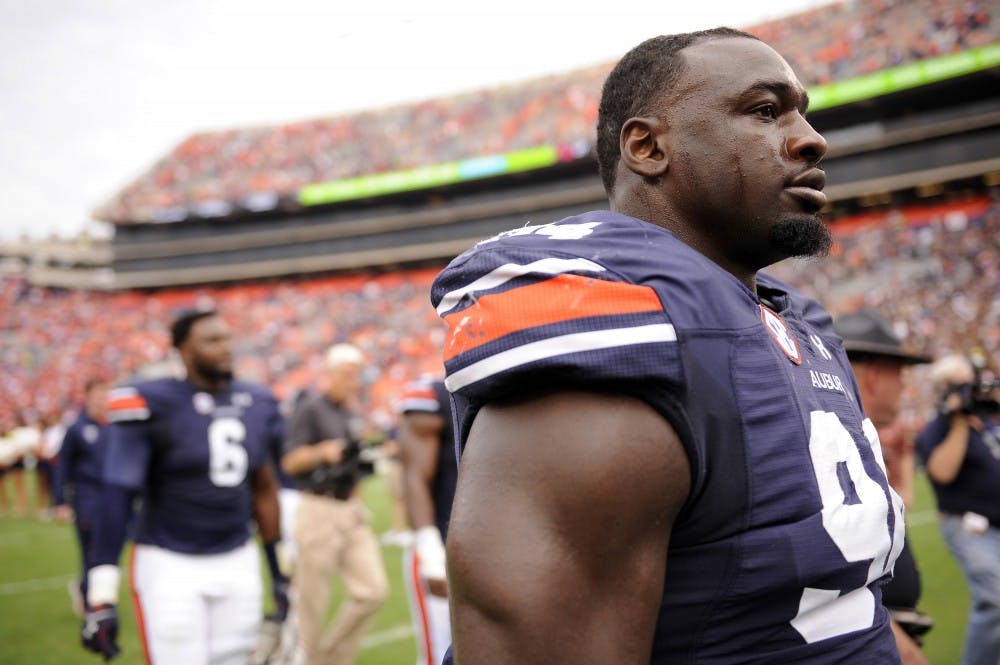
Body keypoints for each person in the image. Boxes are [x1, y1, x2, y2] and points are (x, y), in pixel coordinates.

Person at [430, 28, 907, 664]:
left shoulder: (797, 325)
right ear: (648, 146)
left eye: (802, 112)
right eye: (766, 111)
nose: (811, 138)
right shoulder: (624, 335)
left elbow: (841, 600)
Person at [80, 309, 289, 664]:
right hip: (169, 561)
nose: (224, 348)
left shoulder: (257, 401)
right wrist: (101, 594)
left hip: (237, 556)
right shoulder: (149, 400)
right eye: (211, 340)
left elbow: (264, 489)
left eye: (226, 338)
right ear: (183, 351)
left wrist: (280, 572)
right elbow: (118, 491)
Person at [833, 310, 933, 665]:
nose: (905, 386)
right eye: (900, 373)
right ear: (874, 375)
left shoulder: (855, 440)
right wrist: (888, 632)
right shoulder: (838, 447)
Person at [280, 343, 389, 665]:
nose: (352, 382)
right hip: (318, 508)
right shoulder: (311, 408)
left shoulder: (352, 412)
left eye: (356, 375)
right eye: (346, 374)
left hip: (349, 509)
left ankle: (328, 659)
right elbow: (290, 462)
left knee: (373, 591)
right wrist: (322, 451)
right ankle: (304, 658)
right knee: (312, 603)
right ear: (328, 375)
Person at [916, 352, 1000, 665]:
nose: (972, 390)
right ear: (944, 389)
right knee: (995, 601)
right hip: (969, 526)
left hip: (995, 524)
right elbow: (942, 472)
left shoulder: (984, 421)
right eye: (962, 385)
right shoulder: (937, 428)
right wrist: (959, 420)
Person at [395, 376, 458, 665]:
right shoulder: (435, 394)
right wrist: (431, 550)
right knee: (441, 653)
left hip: (500, 550)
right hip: (448, 549)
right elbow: (414, 474)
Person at [52, 378, 112, 618]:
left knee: (107, 551)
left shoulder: (113, 427)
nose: (101, 400)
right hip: (86, 499)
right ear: (87, 397)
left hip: (111, 500)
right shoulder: (76, 428)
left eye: (105, 394)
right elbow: (62, 466)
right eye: (97, 395)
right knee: (92, 551)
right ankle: (90, 600)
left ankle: (91, 593)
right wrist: (60, 502)